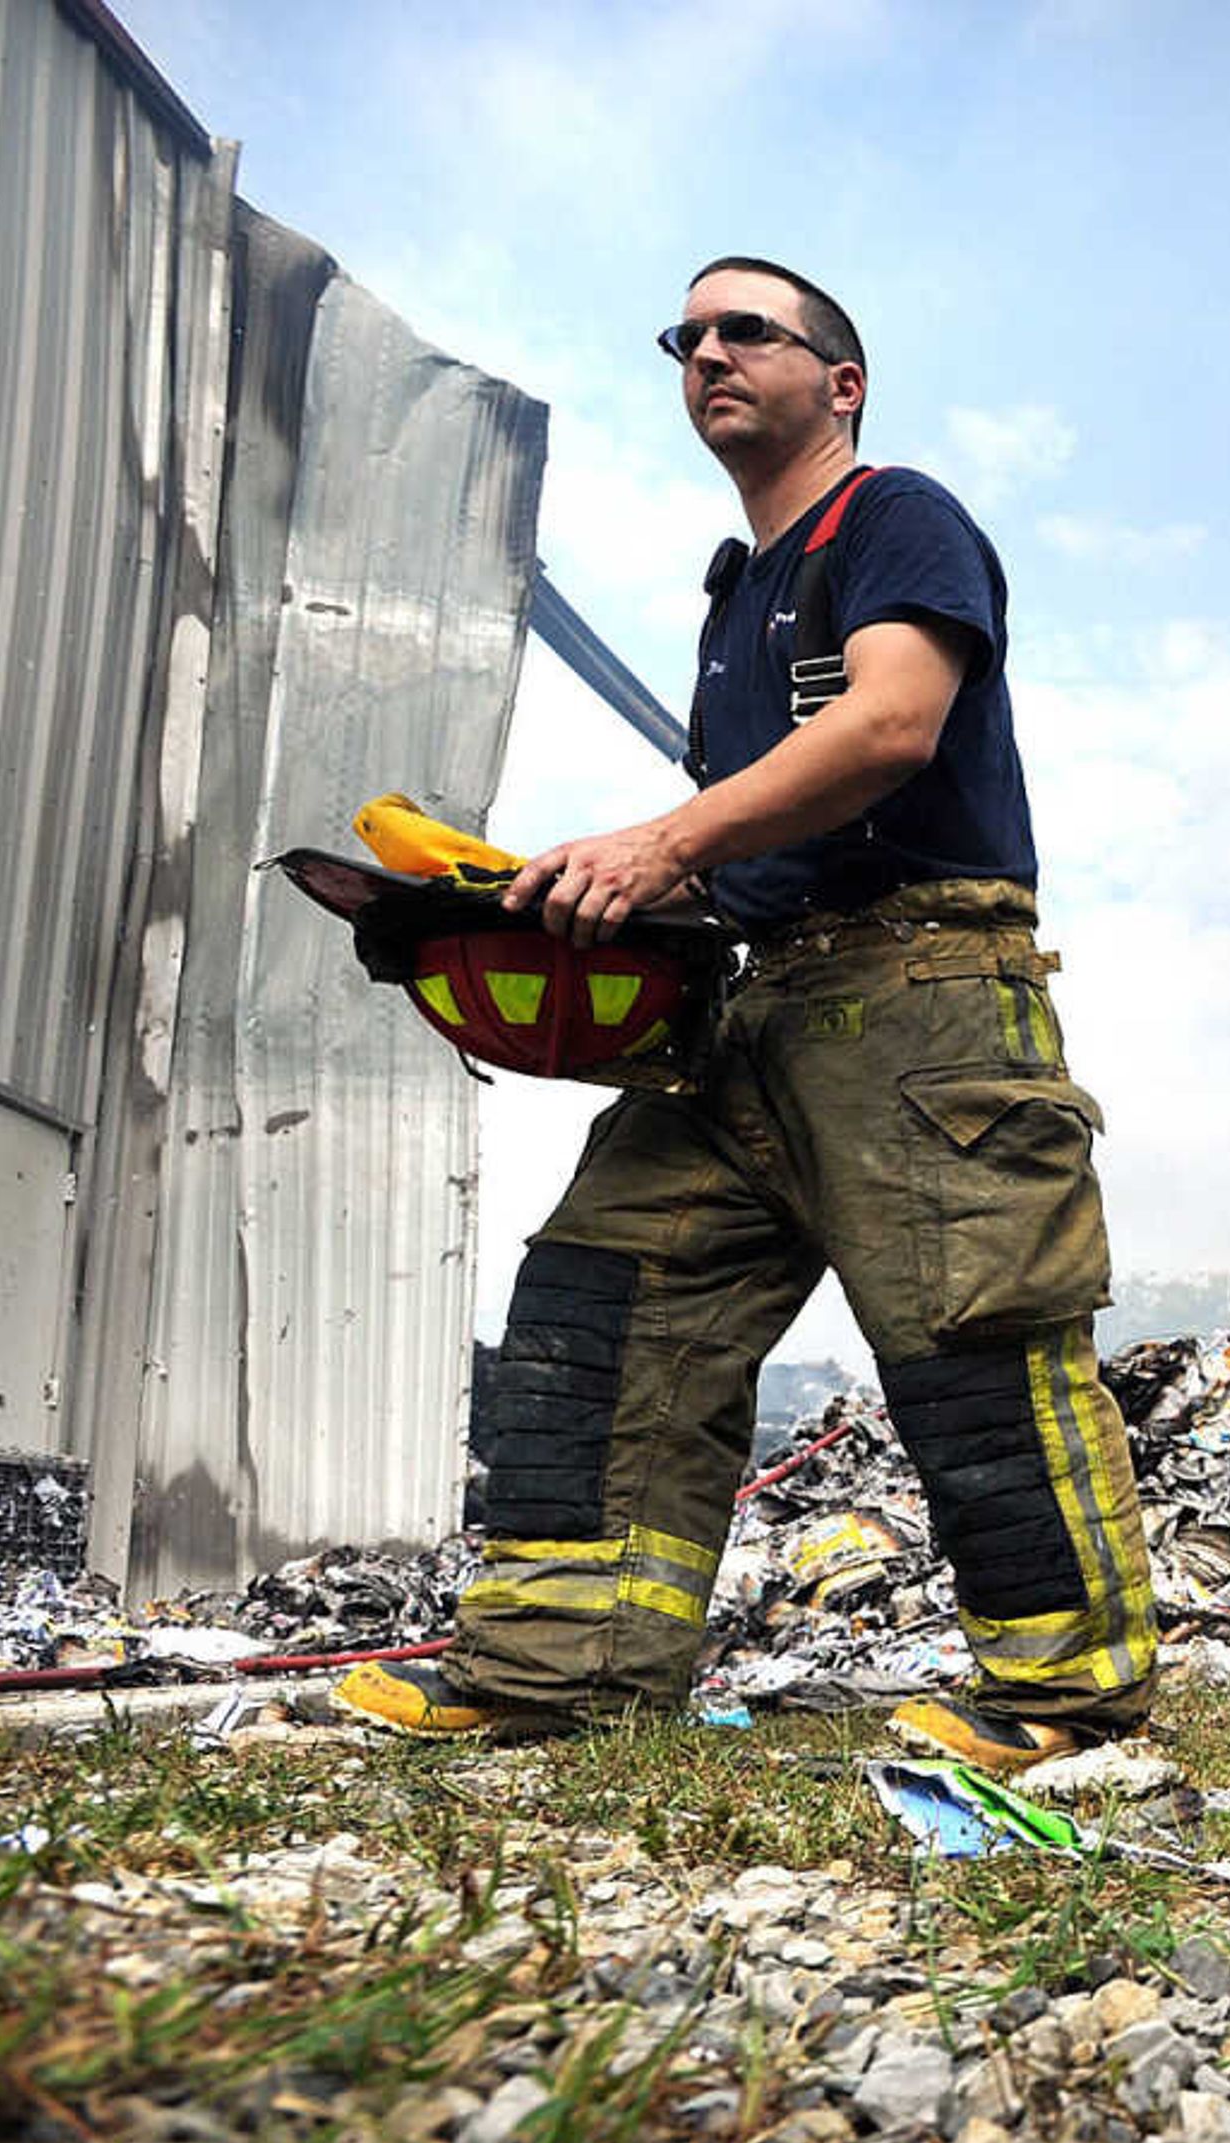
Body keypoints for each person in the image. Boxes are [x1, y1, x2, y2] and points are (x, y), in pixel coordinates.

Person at [338, 257, 1155, 1777]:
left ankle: (1064, 1697)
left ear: (839, 383)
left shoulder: (891, 517)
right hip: (753, 1005)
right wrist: (569, 915)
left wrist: (662, 841)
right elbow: (749, 836)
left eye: (748, 331)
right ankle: (556, 1673)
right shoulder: (739, 596)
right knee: (605, 1298)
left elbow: (893, 724)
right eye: (688, 335)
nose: (708, 351)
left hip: (924, 996)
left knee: (977, 1328)